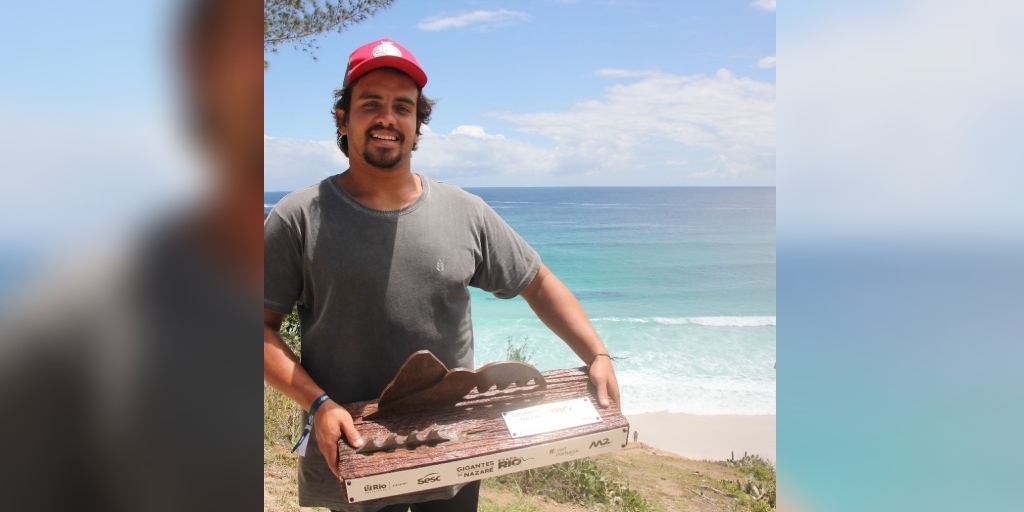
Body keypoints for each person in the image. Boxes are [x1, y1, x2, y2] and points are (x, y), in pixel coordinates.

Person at [263, 38, 621, 512]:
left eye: (402, 107)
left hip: (454, 454)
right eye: (370, 104)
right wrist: (318, 404)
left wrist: (596, 353)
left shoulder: (464, 212)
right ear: (342, 119)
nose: (387, 118)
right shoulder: (297, 218)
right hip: (354, 458)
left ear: (417, 126)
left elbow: (536, 281)